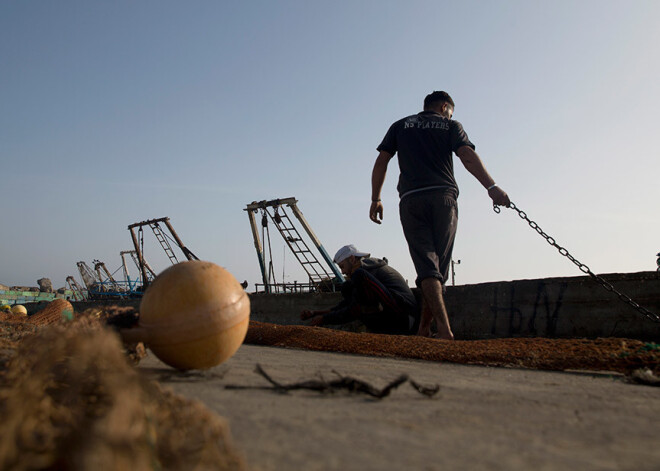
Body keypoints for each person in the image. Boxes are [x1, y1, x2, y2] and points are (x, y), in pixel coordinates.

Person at [369, 90, 511, 340]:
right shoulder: (450, 125)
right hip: (443, 199)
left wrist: (376, 199)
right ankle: (445, 330)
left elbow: (382, 161)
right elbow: (466, 155)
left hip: (411, 200)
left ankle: (424, 329)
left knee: (428, 267)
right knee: (437, 269)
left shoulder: (400, 125)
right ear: (445, 107)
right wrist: (491, 187)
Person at [300, 244, 419, 335]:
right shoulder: (364, 275)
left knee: (358, 278)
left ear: (351, 259)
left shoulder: (364, 273)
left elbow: (353, 309)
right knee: (347, 287)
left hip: (404, 318)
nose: (343, 272)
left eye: (343, 266)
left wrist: (324, 319)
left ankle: (379, 322)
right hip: (394, 316)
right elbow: (347, 305)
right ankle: (377, 326)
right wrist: (316, 313)